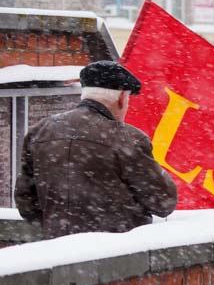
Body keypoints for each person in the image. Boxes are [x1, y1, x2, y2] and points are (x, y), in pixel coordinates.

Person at [16, 60, 177, 239]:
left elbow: (26, 202)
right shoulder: (129, 139)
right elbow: (164, 202)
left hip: (57, 250)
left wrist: (60, 225)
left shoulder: (40, 131)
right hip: (113, 254)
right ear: (122, 98)